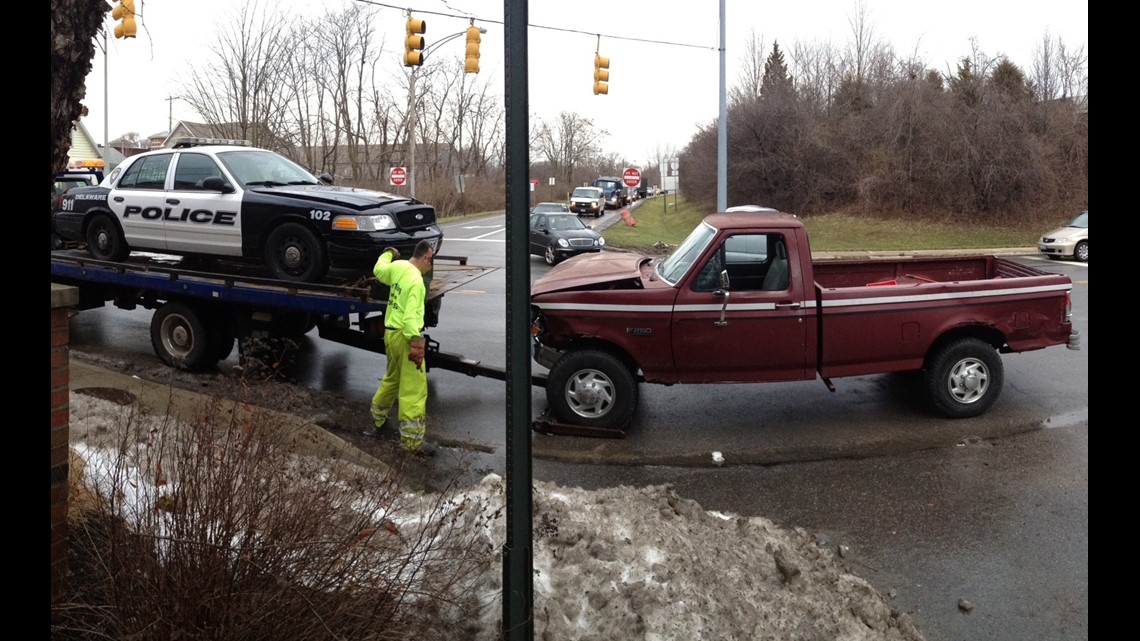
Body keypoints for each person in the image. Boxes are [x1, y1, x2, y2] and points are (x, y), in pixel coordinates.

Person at [366, 240, 436, 455]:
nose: (431, 266)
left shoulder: (398, 267)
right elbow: (410, 318)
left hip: (391, 334)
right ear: (425, 258)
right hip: (405, 337)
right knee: (414, 389)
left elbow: (379, 269)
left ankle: (378, 416)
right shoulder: (416, 282)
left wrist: (387, 253)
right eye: (431, 261)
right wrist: (416, 344)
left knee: (393, 378)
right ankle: (412, 442)